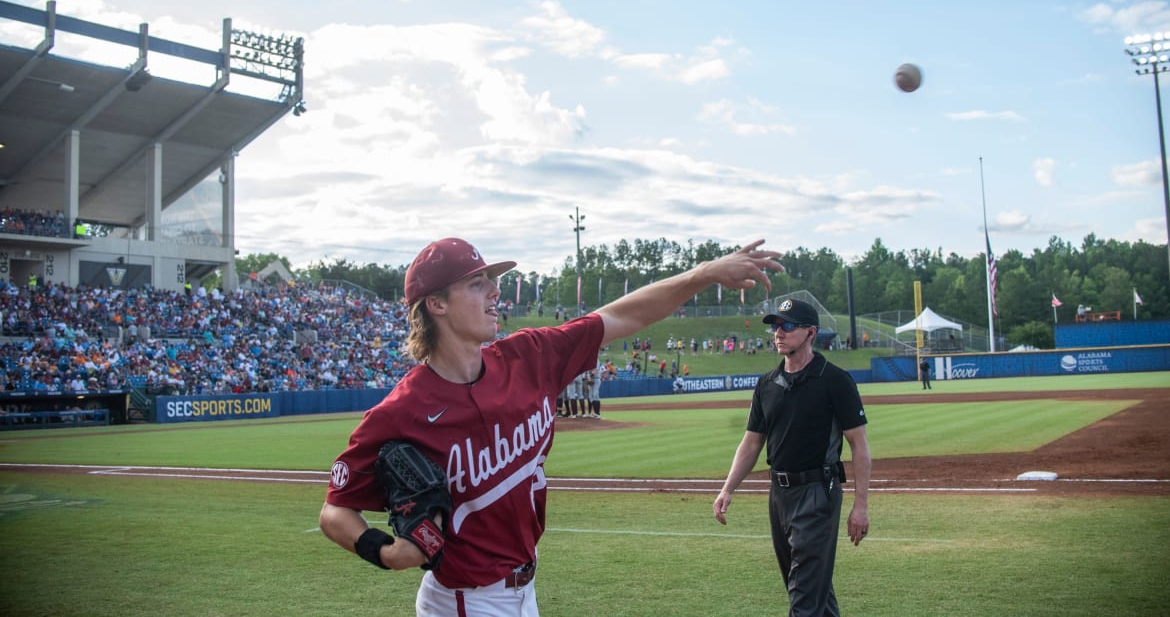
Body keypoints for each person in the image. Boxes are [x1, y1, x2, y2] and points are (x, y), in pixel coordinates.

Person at [320, 237, 782, 616]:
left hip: (524, 590)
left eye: (491, 282)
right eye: (478, 284)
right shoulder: (401, 411)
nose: (495, 293)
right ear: (436, 303)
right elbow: (335, 511)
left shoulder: (529, 356)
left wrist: (702, 273)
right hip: (464, 603)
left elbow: (622, 315)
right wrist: (384, 551)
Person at [713, 298, 871, 617]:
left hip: (818, 494)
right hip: (779, 497)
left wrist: (861, 506)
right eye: (775, 326)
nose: (778, 333)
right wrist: (727, 489)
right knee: (813, 591)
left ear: (810, 333)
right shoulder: (767, 384)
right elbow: (752, 442)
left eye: (787, 326)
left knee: (803, 597)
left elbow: (859, 444)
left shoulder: (834, 380)